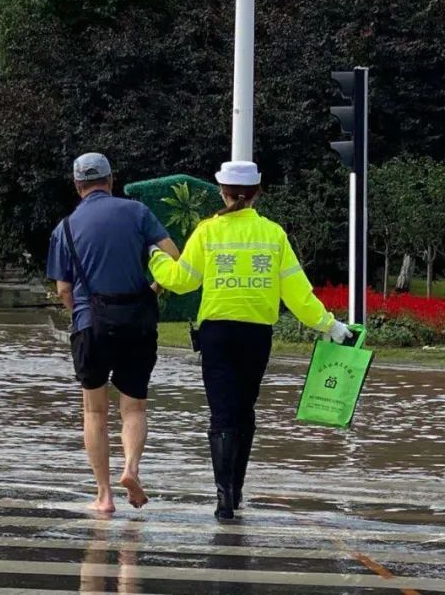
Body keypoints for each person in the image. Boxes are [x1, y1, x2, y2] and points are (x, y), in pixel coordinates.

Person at [148, 160, 353, 520]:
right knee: (244, 411)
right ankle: (236, 489)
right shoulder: (273, 235)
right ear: (257, 193)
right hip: (256, 337)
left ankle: (224, 497)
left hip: (217, 336)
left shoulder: (208, 231)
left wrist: (154, 260)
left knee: (222, 414)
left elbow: (182, 281)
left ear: (222, 192)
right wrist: (329, 325)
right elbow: (297, 294)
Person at [47, 153, 180, 515]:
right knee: (133, 406)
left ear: (77, 186)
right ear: (111, 179)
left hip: (91, 324)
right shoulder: (137, 212)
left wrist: (81, 316)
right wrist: (152, 290)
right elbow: (173, 256)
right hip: (137, 321)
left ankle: (104, 496)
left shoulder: (66, 227)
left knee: (94, 412)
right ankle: (131, 469)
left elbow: (63, 288)